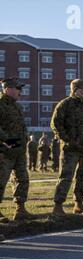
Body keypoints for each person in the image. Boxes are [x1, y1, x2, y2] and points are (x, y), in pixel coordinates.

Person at [50, 79, 83, 219]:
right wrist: (67, 140)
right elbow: (55, 124)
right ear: (73, 90)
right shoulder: (65, 104)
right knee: (66, 177)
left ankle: (78, 204)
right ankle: (58, 206)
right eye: (80, 89)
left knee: (82, 177)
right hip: (70, 149)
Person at [0, 77, 35, 222]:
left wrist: (24, 138)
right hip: (5, 149)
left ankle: (20, 210)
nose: (20, 91)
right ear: (8, 89)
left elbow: (20, 126)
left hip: (19, 149)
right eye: (18, 88)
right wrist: (7, 141)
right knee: (1, 180)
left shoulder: (17, 106)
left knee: (22, 179)